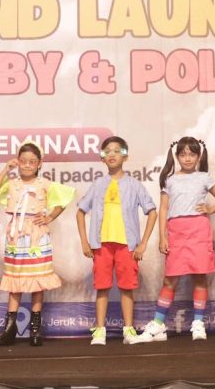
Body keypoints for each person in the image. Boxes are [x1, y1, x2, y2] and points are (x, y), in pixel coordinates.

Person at [136, 137, 215, 342]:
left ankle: (198, 324)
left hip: (199, 231)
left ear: (198, 156)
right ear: (177, 156)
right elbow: (163, 209)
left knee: (200, 278)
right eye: (183, 154)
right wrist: (163, 237)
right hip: (176, 232)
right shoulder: (170, 180)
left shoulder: (204, 177)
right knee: (170, 279)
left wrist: (210, 209)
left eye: (192, 154)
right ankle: (158, 324)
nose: (187, 158)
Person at [0, 141, 75, 347]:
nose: (27, 165)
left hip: (37, 235)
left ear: (39, 163)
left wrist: (49, 217)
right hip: (16, 236)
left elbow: (63, 200)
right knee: (15, 280)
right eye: (23, 161)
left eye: (32, 162)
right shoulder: (12, 183)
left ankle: (35, 328)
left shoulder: (45, 184)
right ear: (17, 162)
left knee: (38, 281)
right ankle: (10, 328)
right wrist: (6, 169)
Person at [76, 136, 157, 346]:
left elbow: (152, 211)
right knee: (102, 287)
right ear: (102, 158)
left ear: (125, 156)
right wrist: (85, 242)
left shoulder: (134, 185)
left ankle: (128, 330)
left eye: (116, 151)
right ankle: (99, 331)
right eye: (107, 151)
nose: (112, 154)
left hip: (127, 246)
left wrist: (143, 243)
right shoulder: (97, 185)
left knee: (126, 287)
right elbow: (80, 211)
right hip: (101, 245)